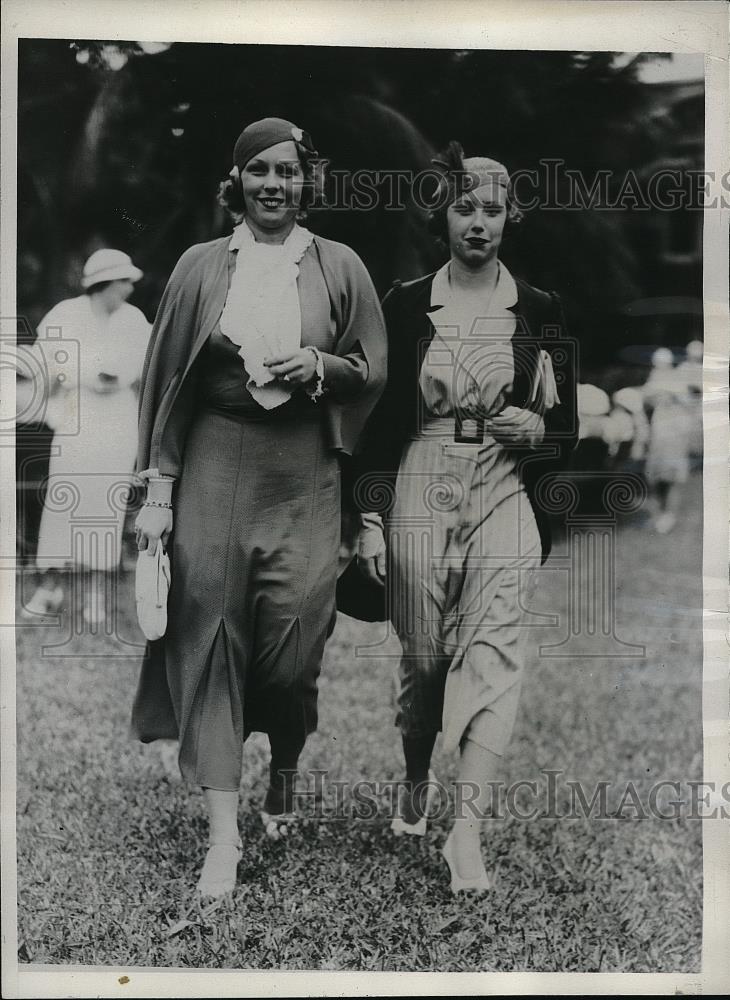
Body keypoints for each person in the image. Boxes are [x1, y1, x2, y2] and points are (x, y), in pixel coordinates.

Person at [131, 117, 386, 898]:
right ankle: (223, 838)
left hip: (305, 468)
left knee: (296, 631)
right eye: (258, 171)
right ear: (235, 181)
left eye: (288, 171)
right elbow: (165, 383)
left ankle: (284, 763)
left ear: (309, 180)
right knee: (209, 631)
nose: (273, 184)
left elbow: (373, 371)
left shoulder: (339, 266)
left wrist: (321, 364)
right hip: (213, 460)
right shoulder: (201, 266)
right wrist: (158, 491)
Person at [353, 143, 578, 893]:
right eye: (464, 207)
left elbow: (566, 425)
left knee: (495, 647)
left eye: (492, 208)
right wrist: (369, 517)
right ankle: (416, 770)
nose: (478, 222)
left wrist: (536, 432)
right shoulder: (405, 301)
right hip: (423, 472)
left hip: (504, 485)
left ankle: (466, 833)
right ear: (441, 215)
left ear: (511, 216)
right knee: (424, 654)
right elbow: (375, 424)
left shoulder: (539, 307)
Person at [20, 250, 150, 627]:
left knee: (105, 506)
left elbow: (145, 366)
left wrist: (119, 376)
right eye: (124, 280)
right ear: (106, 283)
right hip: (79, 418)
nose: (129, 287)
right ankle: (49, 589)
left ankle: (95, 595)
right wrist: (83, 374)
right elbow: (44, 365)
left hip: (118, 422)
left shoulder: (134, 320)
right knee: (65, 502)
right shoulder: (66, 314)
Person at [642, 346, 692, 534]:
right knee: (655, 476)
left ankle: (670, 515)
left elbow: (686, 402)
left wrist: (671, 396)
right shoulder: (654, 378)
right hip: (659, 433)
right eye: (656, 363)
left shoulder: (676, 379)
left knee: (672, 476)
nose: (658, 367)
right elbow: (646, 398)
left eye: (661, 363)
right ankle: (657, 515)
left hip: (675, 433)